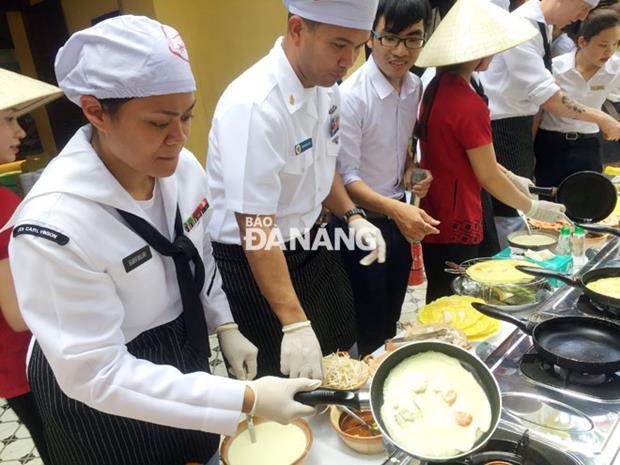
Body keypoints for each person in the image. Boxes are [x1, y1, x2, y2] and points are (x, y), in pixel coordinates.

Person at [5, 15, 320, 465]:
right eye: (158, 123)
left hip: (180, 344)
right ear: (96, 111)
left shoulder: (183, 171)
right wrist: (247, 398)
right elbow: (99, 374)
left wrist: (224, 323)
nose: (178, 137)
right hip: (100, 389)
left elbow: (200, 253)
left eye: (187, 115)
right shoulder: (54, 226)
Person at [206, 0, 387, 378]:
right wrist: (293, 321)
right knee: (286, 385)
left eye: (358, 46)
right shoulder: (254, 106)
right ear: (297, 30)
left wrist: (353, 216)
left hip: (313, 245)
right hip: (255, 261)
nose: (349, 61)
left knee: (341, 356)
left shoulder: (327, 89)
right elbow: (255, 226)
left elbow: (321, 168)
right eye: (338, 45)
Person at [414, 0, 568, 302]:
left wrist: (512, 177)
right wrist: (532, 207)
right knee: (458, 293)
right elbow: (486, 175)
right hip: (456, 212)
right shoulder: (467, 103)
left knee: (447, 287)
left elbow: (478, 161)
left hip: (439, 205)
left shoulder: (439, 85)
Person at [335, 0, 439, 356]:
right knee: (366, 322)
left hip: (397, 217)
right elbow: (346, 178)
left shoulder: (415, 87)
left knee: (391, 313)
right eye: (391, 38)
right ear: (371, 37)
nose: (401, 51)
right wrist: (396, 210)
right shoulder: (350, 97)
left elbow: (404, 146)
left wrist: (411, 170)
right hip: (360, 224)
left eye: (413, 39)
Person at [478, 0, 620, 247]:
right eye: (583, 7)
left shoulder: (542, 26)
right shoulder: (521, 25)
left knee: (519, 208)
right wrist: (601, 117)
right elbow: (548, 97)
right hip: (501, 128)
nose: (581, 17)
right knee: (510, 214)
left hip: (518, 128)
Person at [0, 68, 62, 465]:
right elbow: (19, 315)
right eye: (8, 120)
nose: (20, 131)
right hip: (30, 365)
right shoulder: (3, 206)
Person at [536, 8, 620, 187]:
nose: (610, 51)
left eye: (616, 44)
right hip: (551, 142)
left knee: (590, 202)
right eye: (603, 45)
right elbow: (540, 109)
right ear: (582, 41)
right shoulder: (556, 67)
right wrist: (530, 146)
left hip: (589, 144)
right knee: (549, 201)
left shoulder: (616, 69)